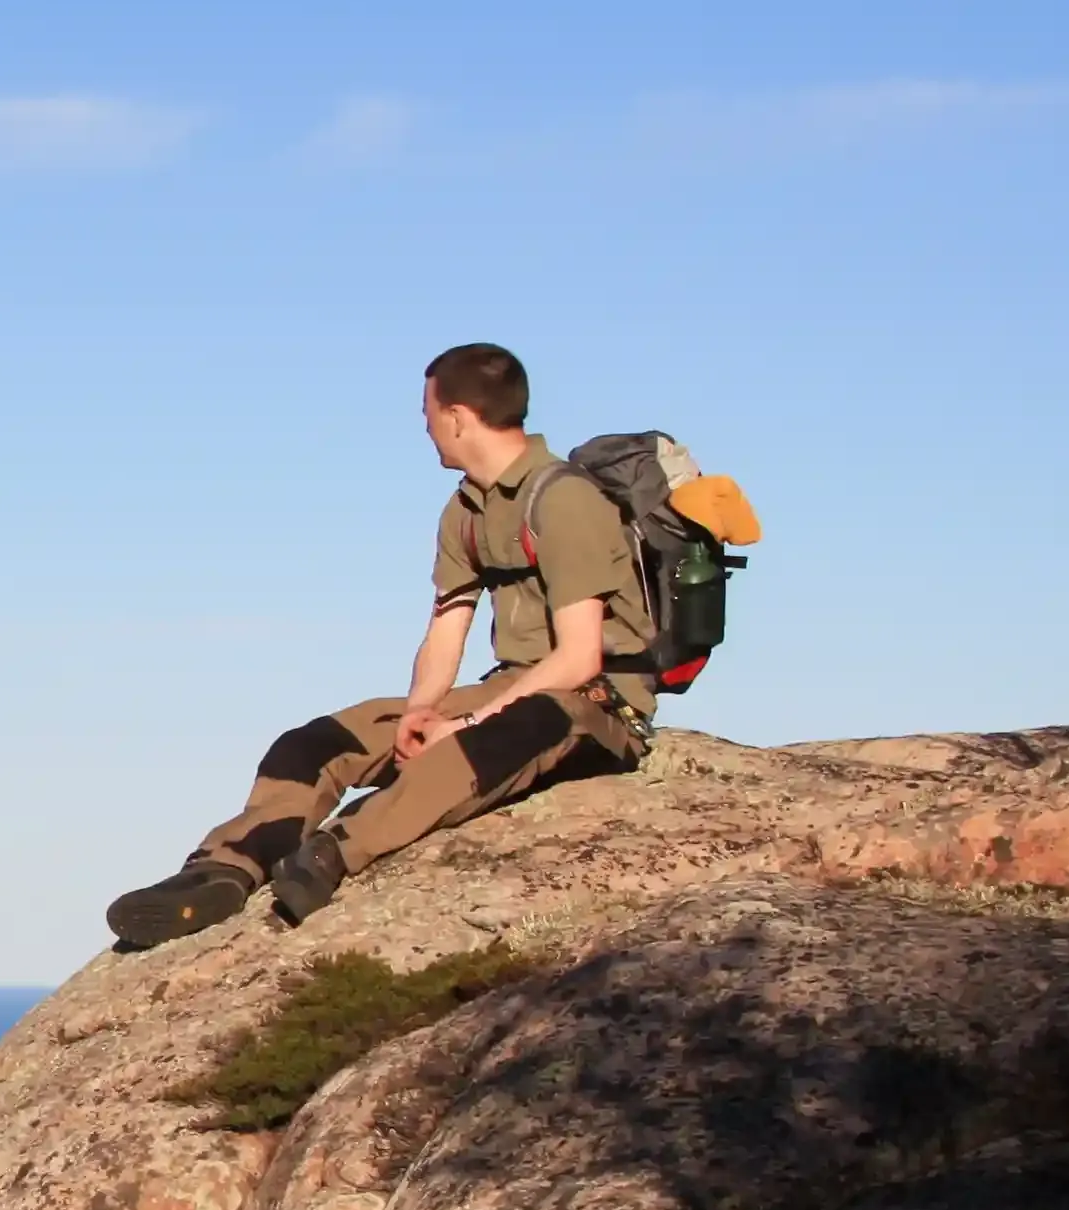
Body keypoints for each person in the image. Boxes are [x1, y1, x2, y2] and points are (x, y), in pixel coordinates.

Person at [105, 342, 656, 948]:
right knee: (319, 742)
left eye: (428, 414)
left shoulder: (565, 499)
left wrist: (465, 722)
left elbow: (579, 658)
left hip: (594, 705)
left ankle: (331, 854)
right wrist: (421, 711)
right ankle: (225, 867)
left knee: (491, 738)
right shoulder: (467, 511)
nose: (425, 428)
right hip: (510, 686)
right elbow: (449, 623)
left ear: (457, 416)